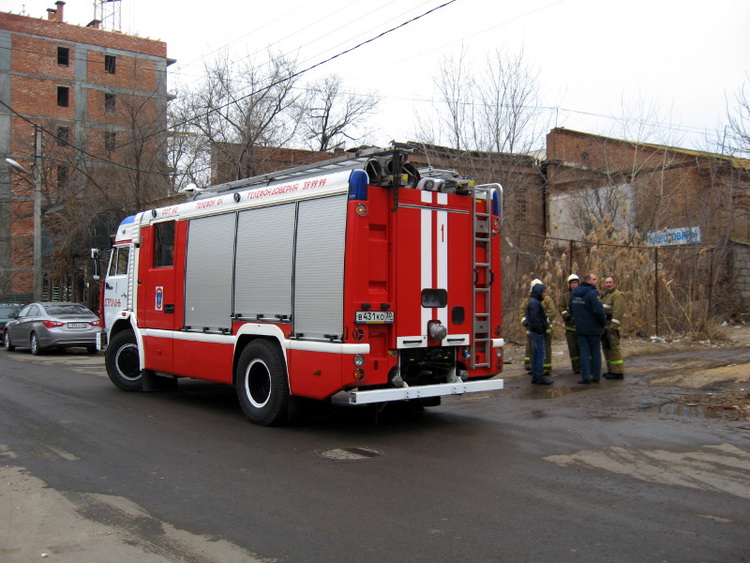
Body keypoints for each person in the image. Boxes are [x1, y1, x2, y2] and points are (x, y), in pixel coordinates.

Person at [569, 273, 606, 384]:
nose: (596, 281)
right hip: (593, 328)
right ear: (588, 280)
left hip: (580, 327)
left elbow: (571, 308)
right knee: (595, 352)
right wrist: (603, 323)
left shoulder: (575, 293)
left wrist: (577, 319)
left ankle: (585, 377)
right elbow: (598, 311)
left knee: (584, 352)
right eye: (594, 279)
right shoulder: (593, 293)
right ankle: (596, 376)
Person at [520, 278, 556, 376]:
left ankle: (545, 368)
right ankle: (534, 369)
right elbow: (523, 313)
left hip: (544, 330)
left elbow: (552, 312)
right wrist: (525, 322)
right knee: (533, 350)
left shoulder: (546, 300)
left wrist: (545, 322)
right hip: (535, 330)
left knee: (544, 350)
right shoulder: (530, 301)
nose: (544, 293)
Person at [525, 282, 553, 385]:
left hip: (535, 332)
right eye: (544, 292)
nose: (545, 294)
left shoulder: (534, 302)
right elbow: (535, 319)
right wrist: (540, 330)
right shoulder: (535, 304)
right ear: (538, 292)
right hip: (537, 333)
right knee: (540, 354)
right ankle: (540, 376)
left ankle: (535, 376)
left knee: (536, 354)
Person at [601, 276, 625, 379]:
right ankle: (611, 370)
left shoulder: (617, 295)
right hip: (606, 326)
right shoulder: (606, 295)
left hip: (612, 326)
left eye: (610, 282)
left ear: (614, 283)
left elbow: (618, 312)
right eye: (606, 282)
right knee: (607, 348)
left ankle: (618, 372)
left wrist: (614, 326)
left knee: (614, 348)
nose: (608, 284)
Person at [556, 274, 581, 373]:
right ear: (569, 285)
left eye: (576, 283)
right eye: (572, 283)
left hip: (581, 327)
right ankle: (576, 368)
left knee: (583, 348)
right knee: (573, 348)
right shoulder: (565, 296)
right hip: (570, 327)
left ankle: (586, 366)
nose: (574, 285)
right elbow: (561, 307)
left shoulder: (582, 294)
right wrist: (567, 316)